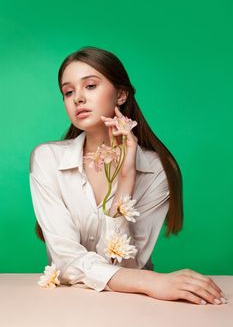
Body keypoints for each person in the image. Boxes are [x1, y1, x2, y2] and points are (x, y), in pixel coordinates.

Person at [29, 46, 226, 305]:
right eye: (68, 91)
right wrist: (154, 282)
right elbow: (65, 260)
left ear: (121, 94)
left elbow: (127, 263)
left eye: (90, 86)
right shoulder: (47, 160)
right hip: (69, 304)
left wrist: (126, 178)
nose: (77, 98)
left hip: (132, 305)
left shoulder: (158, 169)